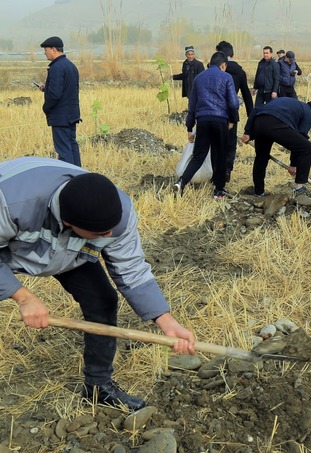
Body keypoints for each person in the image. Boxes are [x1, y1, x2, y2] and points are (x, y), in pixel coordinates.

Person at [0, 157, 196, 411]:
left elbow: (132, 269)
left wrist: (167, 322)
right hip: (12, 244)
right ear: (69, 223)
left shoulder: (118, 213)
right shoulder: (12, 201)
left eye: (110, 231)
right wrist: (23, 297)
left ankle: (98, 386)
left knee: (103, 301)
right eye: (100, 234)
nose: (109, 237)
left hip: (69, 252)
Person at [175, 52, 239, 199]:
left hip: (202, 121)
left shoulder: (199, 78)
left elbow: (192, 105)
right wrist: (232, 121)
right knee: (220, 155)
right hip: (220, 121)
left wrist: (190, 128)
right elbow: (233, 103)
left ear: (210, 63)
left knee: (199, 155)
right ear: (223, 65)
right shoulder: (226, 77)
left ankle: (181, 182)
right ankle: (219, 191)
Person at [241, 98, 311, 203]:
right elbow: (301, 137)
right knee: (307, 148)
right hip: (276, 123)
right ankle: (299, 188)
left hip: (260, 122)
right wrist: (293, 164)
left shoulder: (294, 104)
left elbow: (256, 110)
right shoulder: (309, 113)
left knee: (262, 157)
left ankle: (259, 192)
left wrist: (248, 132)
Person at [40, 36, 81, 167]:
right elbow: (68, 88)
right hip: (71, 115)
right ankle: (79, 177)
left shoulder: (56, 67)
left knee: (64, 151)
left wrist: (46, 107)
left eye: (45, 49)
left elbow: (55, 95)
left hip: (61, 117)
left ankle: (69, 180)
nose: (44, 52)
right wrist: (47, 88)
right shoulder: (70, 66)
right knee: (72, 147)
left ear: (53, 49)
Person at [216, 41, 254, 183]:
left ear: (220, 54)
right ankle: (227, 170)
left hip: (215, 112)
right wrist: (251, 120)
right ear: (232, 54)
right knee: (230, 144)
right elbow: (247, 96)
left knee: (215, 142)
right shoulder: (239, 72)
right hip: (231, 114)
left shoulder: (213, 69)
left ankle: (216, 171)